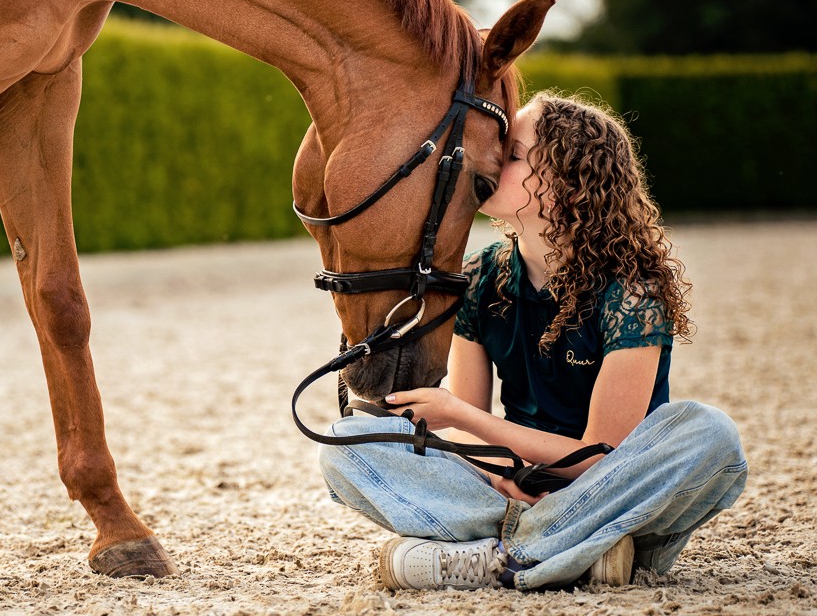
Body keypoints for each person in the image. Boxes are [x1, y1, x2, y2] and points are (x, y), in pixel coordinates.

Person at [318, 92, 747, 591]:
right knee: (345, 445)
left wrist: (460, 415)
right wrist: (502, 473)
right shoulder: (480, 276)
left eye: (514, 153)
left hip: (616, 491)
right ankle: (571, 554)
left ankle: (507, 554)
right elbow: (468, 440)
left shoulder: (632, 289)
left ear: (567, 187)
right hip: (519, 489)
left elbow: (596, 457)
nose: (493, 158)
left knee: (709, 434)